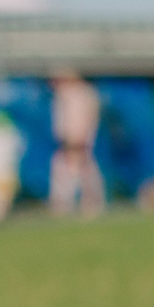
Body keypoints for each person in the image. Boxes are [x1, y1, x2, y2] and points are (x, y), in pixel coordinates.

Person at [48, 69, 105, 217]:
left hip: (77, 140)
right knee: (66, 169)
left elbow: (82, 119)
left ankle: (90, 203)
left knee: (81, 170)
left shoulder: (80, 94)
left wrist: (78, 138)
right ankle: (64, 204)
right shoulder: (63, 95)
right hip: (68, 140)